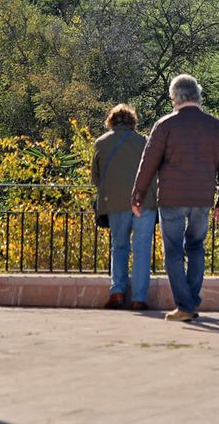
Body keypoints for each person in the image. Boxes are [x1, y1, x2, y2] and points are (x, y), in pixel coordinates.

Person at [132, 74, 219, 322]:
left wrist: (138, 195)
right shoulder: (215, 126)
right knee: (197, 247)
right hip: (202, 199)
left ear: (175, 97)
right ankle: (191, 301)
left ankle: (185, 305)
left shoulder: (165, 125)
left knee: (174, 251)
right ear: (197, 95)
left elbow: (148, 164)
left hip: (172, 199)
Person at [92, 104, 158, 310]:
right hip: (144, 202)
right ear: (132, 122)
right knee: (142, 249)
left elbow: (96, 178)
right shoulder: (144, 142)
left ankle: (117, 292)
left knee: (119, 247)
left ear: (111, 121)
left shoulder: (101, 143)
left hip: (115, 202)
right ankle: (139, 298)